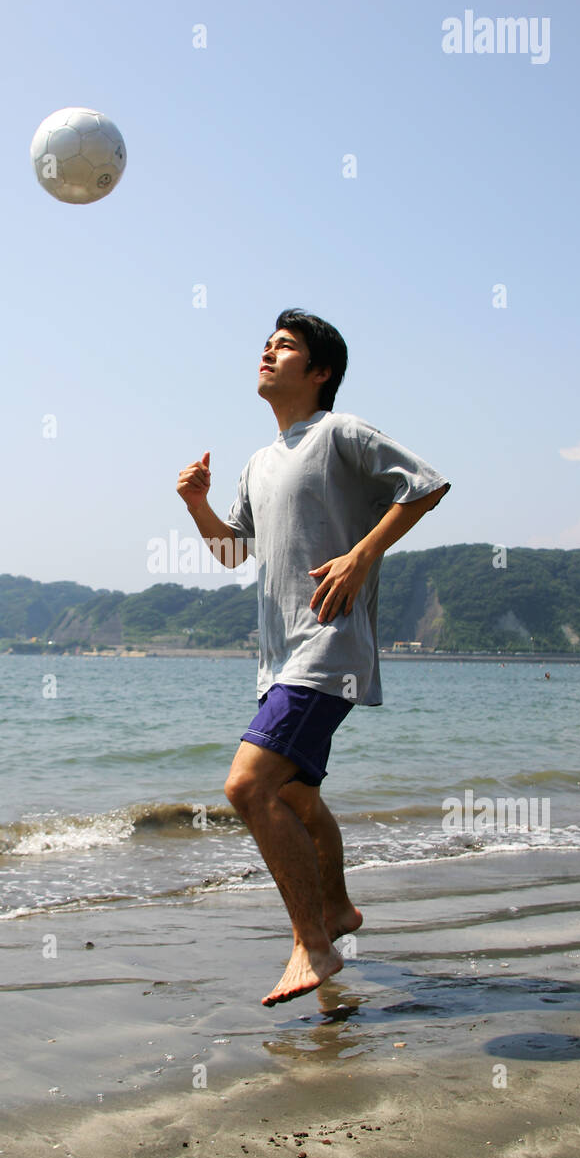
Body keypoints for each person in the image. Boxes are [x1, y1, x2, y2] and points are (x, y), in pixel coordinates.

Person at [176, 308, 450, 1006]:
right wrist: (198, 507)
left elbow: (425, 486)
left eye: (286, 346)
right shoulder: (259, 462)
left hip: (329, 648)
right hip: (280, 658)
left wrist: (362, 556)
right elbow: (236, 550)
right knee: (295, 794)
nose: (268, 352)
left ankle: (313, 945)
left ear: (320, 371)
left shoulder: (340, 433)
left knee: (248, 787)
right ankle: (336, 910)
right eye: (266, 344)